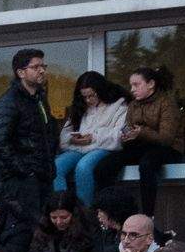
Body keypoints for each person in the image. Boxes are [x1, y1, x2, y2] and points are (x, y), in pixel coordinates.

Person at [113, 65, 184, 217]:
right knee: (106, 164)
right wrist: (126, 137)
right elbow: (128, 128)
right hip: (141, 146)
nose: (132, 89)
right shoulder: (133, 105)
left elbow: (166, 138)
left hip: (168, 149)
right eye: (131, 85)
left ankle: (147, 216)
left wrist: (141, 133)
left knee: (147, 164)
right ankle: (110, 214)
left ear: (151, 84)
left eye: (136, 85)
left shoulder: (166, 103)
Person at [51, 71, 128, 205]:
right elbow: (64, 135)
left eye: (92, 95)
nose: (88, 100)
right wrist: (72, 139)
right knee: (55, 167)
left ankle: (85, 213)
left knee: (83, 167)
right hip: (77, 148)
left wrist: (93, 137)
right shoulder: (80, 107)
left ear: (101, 90)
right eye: (84, 97)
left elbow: (120, 134)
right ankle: (62, 208)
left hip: (102, 146)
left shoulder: (119, 106)